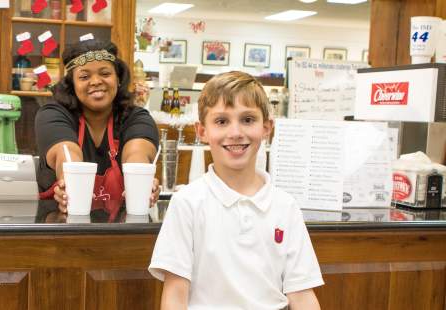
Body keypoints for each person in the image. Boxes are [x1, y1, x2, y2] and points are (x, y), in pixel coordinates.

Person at [149, 71, 323, 309]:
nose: (236, 132)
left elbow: (302, 295)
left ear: (266, 127)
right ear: (202, 131)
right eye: (221, 121)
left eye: (247, 119)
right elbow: (175, 294)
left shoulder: (285, 206)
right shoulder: (187, 203)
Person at [35, 38, 160, 212]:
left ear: (118, 79)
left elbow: (137, 155)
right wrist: (68, 184)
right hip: (60, 230)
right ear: (72, 84)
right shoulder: (52, 115)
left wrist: (143, 182)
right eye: (84, 76)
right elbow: (66, 154)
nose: (95, 81)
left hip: (124, 231)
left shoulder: (137, 118)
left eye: (105, 73)